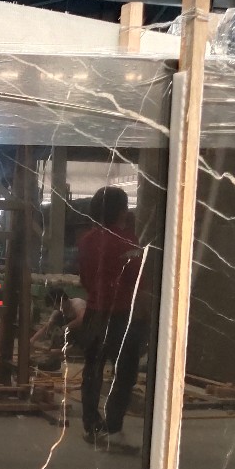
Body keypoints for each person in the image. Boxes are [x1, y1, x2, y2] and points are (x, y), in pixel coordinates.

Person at [78, 186, 148, 444]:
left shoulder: (86, 241)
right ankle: (113, 426)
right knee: (125, 372)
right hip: (121, 316)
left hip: (94, 313)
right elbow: (138, 278)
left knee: (92, 371)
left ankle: (91, 424)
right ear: (122, 211)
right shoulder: (127, 240)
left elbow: (85, 278)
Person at [30, 287, 86, 371]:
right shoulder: (59, 311)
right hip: (71, 338)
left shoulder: (77, 303)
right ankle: (57, 354)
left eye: (55, 305)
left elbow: (82, 318)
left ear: (62, 301)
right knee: (55, 324)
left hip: (85, 335)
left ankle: (67, 351)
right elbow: (47, 327)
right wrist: (33, 340)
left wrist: (67, 326)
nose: (55, 308)